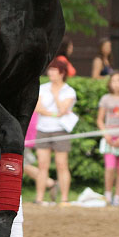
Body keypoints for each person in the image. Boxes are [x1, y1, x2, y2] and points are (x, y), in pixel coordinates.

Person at [33, 57, 76, 206]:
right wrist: (53, 113)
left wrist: (56, 95)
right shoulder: (42, 87)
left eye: (54, 70)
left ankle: (64, 198)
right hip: (43, 129)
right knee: (42, 165)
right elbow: (37, 107)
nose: (50, 72)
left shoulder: (69, 91)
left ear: (62, 73)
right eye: (49, 69)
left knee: (61, 164)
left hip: (60, 130)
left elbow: (63, 110)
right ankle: (39, 197)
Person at [96, 71, 119, 206]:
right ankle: (108, 194)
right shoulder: (106, 99)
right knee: (110, 167)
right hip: (109, 136)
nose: (116, 84)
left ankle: (118, 197)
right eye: (113, 81)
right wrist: (107, 135)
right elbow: (100, 120)